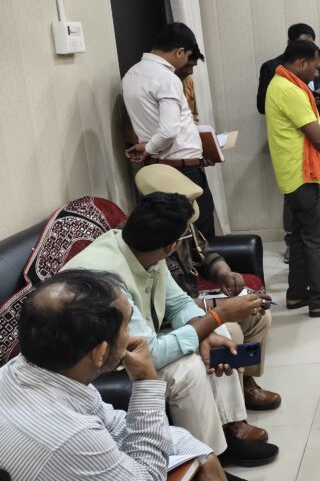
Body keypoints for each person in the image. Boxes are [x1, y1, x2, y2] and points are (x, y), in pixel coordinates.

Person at [62, 193, 279, 467]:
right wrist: (217, 315)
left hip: (135, 344)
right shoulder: (106, 278)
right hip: (98, 364)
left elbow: (177, 303)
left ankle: (230, 429)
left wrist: (207, 330)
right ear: (171, 246)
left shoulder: (144, 250)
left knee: (221, 335)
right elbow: (147, 354)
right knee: (187, 370)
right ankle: (204, 462)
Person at [0, 269, 234, 481]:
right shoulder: (70, 435)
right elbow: (148, 477)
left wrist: (200, 451)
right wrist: (146, 381)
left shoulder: (28, 369)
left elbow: (114, 426)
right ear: (100, 352)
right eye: (127, 326)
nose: (133, 335)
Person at [134, 164, 281, 411]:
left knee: (259, 315)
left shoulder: (184, 226)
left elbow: (205, 255)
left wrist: (224, 273)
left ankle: (246, 382)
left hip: (191, 307)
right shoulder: (147, 239)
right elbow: (162, 306)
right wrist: (219, 307)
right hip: (170, 322)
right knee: (230, 330)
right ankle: (230, 413)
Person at [265, 40, 320, 316]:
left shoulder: (279, 84)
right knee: (319, 241)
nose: (316, 74)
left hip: (293, 176)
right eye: (315, 68)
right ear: (301, 63)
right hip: (308, 176)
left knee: (300, 240)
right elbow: (318, 137)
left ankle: (296, 295)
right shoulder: (290, 89)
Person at [122, 22, 217, 241]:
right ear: (180, 52)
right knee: (200, 233)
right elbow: (168, 131)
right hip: (181, 170)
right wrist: (149, 147)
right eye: (188, 56)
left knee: (172, 234)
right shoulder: (166, 78)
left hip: (156, 168)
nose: (186, 64)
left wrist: (148, 147)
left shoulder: (131, 75)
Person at [257, 23, 320, 139]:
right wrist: (306, 101)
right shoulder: (272, 67)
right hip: (296, 138)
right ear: (290, 43)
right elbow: (263, 106)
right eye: (302, 43)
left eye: (311, 44)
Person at [177, 45, 205, 124]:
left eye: (192, 66)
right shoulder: (162, 84)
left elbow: (194, 116)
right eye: (187, 66)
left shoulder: (188, 80)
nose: (191, 72)